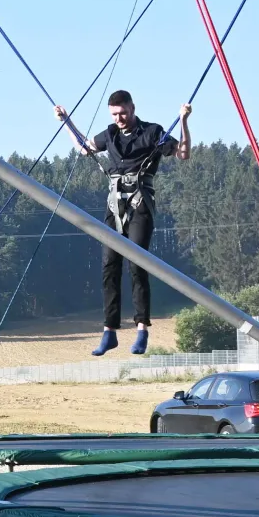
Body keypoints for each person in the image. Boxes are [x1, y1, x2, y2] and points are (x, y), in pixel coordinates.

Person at [55, 91, 191, 356]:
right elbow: (85, 148)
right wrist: (66, 121)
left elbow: (183, 154)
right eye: (115, 115)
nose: (120, 119)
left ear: (132, 108)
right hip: (115, 204)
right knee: (109, 265)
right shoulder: (110, 134)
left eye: (123, 113)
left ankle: (142, 329)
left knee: (137, 264)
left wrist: (183, 121)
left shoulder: (152, 132)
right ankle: (110, 331)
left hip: (141, 203)